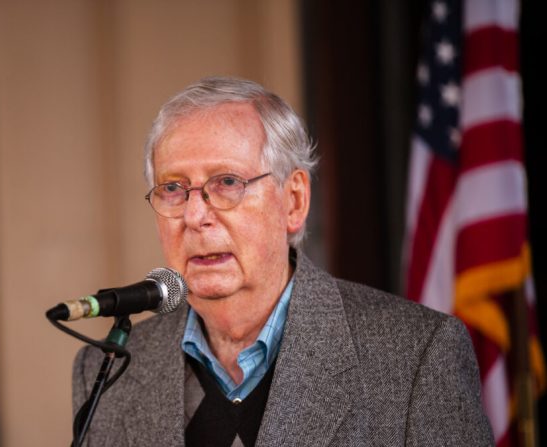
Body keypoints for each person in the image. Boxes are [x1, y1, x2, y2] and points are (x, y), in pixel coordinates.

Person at [72, 76, 493, 446]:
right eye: (173, 188)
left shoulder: (417, 355)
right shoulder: (106, 368)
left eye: (227, 183)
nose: (195, 216)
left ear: (293, 201)